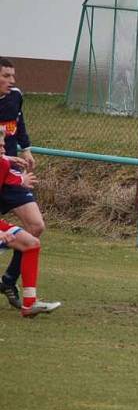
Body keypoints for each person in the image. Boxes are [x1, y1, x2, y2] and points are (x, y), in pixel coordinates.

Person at [0, 57, 45, 310]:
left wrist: (26, 149)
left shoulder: (15, 96)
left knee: (36, 226)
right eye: (6, 75)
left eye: (12, 76)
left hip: (12, 174)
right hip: (5, 170)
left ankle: (8, 281)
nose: (12, 81)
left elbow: (19, 123)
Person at [0, 133, 60, 317]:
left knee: (31, 243)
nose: (4, 149)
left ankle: (29, 304)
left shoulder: (2, 163)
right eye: (0, 146)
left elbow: (13, 176)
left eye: (3, 145)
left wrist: (21, 180)